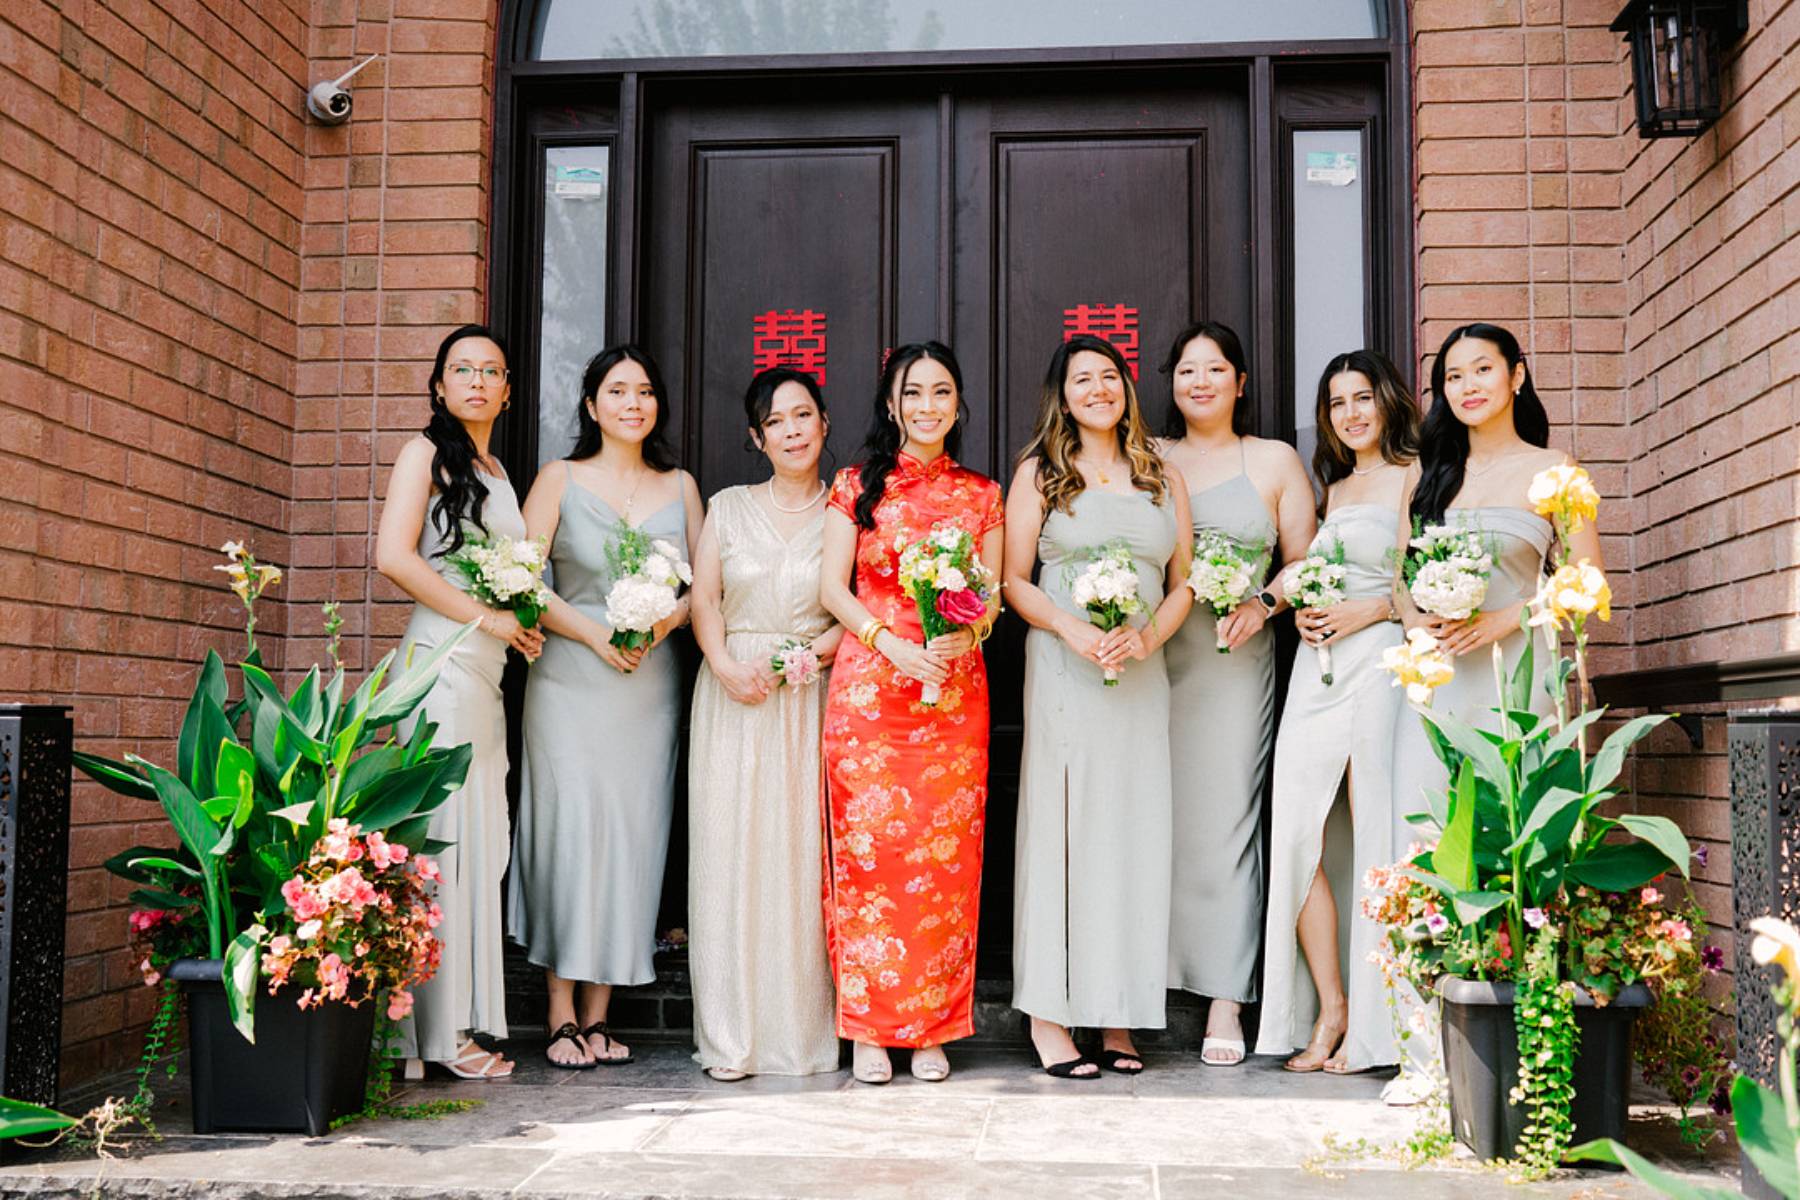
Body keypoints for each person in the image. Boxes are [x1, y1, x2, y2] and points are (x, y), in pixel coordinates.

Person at [1384, 321, 1603, 1104]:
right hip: (1437, 685)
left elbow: (1585, 582)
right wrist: (1421, 620)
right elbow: (1401, 579)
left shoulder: (1555, 470)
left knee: (1517, 853)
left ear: (1516, 375)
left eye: (1482, 369)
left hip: (1518, 684)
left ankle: (1519, 1048)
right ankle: (1422, 1057)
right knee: (1424, 845)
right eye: (1453, 376)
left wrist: (1507, 618)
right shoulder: (1430, 475)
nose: (1467, 386)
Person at [509, 344, 704, 1069]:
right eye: (617, 391)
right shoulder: (558, 478)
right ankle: (559, 1011)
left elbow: (701, 587)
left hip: (648, 687)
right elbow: (521, 580)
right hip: (569, 679)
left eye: (644, 391)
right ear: (591, 405)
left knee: (630, 838)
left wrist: (661, 624)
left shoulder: (680, 486)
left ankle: (599, 1016)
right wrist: (595, 633)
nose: (633, 403)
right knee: (570, 833)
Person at [1003, 335, 1192, 1079]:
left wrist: (1147, 637)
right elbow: (1013, 581)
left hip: (1141, 675)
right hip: (1064, 671)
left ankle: (1118, 1013)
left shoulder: (1161, 475)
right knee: (1062, 830)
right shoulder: (1040, 474)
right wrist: (1071, 628)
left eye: (1109, 376)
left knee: (1132, 832)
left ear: (1126, 389)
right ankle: (1049, 1016)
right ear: (1063, 395)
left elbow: (1183, 581)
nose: (1099, 389)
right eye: (1082, 379)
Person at [818, 341, 1004, 1085]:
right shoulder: (855, 485)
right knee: (869, 861)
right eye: (913, 393)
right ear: (891, 404)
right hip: (871, 697)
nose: (928, 406)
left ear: (959, 404)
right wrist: (889, 642)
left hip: (953, 698)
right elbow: (833, 588)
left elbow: (990, 598)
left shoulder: (982, 494)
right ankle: (868, 1028)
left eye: (942, 392)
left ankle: (931, 1028)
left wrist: (969, 631)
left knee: (944, 864)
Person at [374, 323, 542, 1080]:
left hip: (485, 672)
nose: (477, 381)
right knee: (441, 842)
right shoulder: (424, 455)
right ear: (439, 386)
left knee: (477, 841)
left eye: (490, 371)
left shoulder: (497, 472)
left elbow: (504, 575)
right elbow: (393, 557)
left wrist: (519, 625)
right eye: (462, 370)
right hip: (439, 667)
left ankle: (431, 1032)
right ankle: (436, 1037)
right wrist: (488, 619)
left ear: (506, 391)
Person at [1157, 320, 1316, 1066]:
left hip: (1231, 658)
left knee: (1227, 819)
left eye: (1215, 369)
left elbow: (1305, 561)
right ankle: (1140, 979)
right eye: (1187, 370)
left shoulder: (1274, 460)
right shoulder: (1146, 457)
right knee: (1150, 818)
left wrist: (1265, 604)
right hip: (1150, 657)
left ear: (1241, 382)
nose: (1200, 382)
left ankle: (1226, 995)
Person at [1254, 350, 1417, 1074]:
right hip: (1315, 671)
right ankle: (1332, 1004)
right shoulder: (1336, 488)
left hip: (1380, 659)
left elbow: (1420, 581)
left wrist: (1370, 611)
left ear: (1387, 402)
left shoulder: (1417, 475)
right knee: (1298, 831)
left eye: (1362, 398)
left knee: (1373, 823)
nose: (1350, 414)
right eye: (1336, 402)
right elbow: (1314, 570)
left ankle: (1379, 1022)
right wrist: (1289, 605)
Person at [687, 367, 843, 1081]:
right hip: (732, 693)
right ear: (757, 437)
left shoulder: (846, 510)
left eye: (802, 415)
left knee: (799, 858)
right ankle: (731, 1036)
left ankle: (798, 1033)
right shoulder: (726, 506)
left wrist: (803, 659)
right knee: (729, 856)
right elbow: (705, 599)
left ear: (824, 423)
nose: (791, 431)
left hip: (808, 695)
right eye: (775, 421)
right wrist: (723, 663)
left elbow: (859, 610)